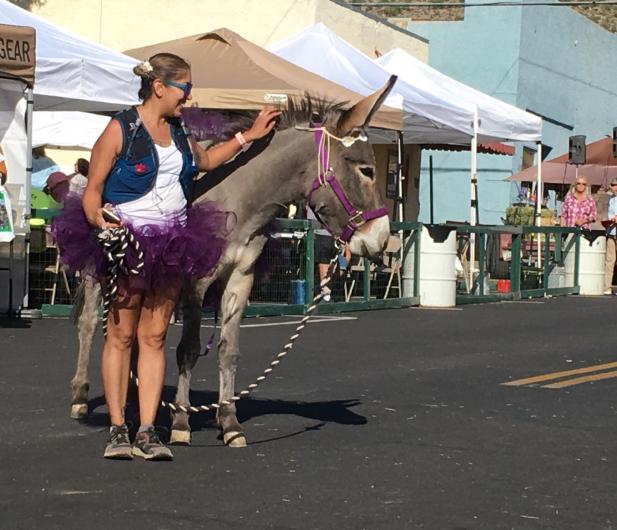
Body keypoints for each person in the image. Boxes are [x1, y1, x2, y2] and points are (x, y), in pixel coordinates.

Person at [52, 53, 279, 461]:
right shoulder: (120, 129)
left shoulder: (179, 132)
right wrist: (97, 219)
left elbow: (205, 162)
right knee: (121, 336)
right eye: (185, 89)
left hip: (172, 243)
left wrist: (250, 138)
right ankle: (118, 429)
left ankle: (146, 430)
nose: (188, 99)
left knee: (154, 336)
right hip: (128, 242)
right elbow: (93, 190)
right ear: (160, 86)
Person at [604, 177, 617, 295]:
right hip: (612, 232)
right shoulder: (611, 199)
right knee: (609, 260)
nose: (614, 187)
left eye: (615, 185)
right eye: (612, 185)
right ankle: (606, 287)